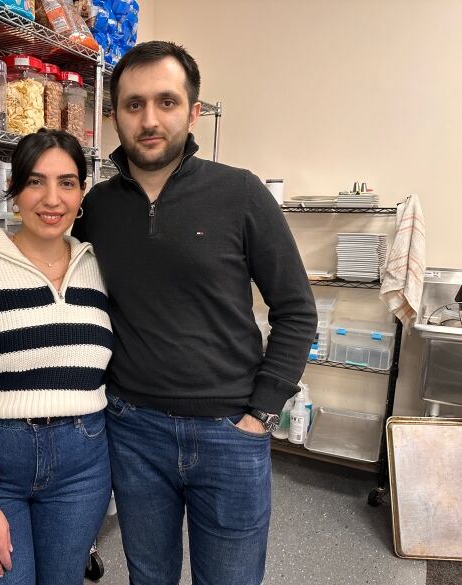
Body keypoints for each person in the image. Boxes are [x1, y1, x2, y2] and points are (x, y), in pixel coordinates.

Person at [72, 41, 318, 585]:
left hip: (231, 432)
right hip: (133, 430)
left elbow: (297, 310)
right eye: (134, 105)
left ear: (194, 111)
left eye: (167, 101)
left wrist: (262, 414)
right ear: (115, 117)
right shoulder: (98, 207)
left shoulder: (241, 193)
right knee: (150, 576)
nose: (150, 119)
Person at [0, 129, 113, 585]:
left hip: (83, 465)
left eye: (67, 183)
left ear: (82, 193)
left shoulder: (97, 268)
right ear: (14, 192)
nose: (52, 199)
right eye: (36, 182)